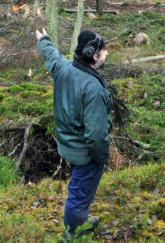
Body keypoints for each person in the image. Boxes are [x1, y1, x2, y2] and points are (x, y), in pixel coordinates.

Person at [35, 28, 112, 240]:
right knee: (78, 196)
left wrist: (43, 40)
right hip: (85, 154)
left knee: (79, 191)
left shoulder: (64, 68)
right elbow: (96, 135)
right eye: (104, 51)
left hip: (67, 146)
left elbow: (51, 54)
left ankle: (81, 222)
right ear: (94, 56)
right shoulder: (93, 90)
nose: (106, 54)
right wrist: (102, 157)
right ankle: (72, 236)